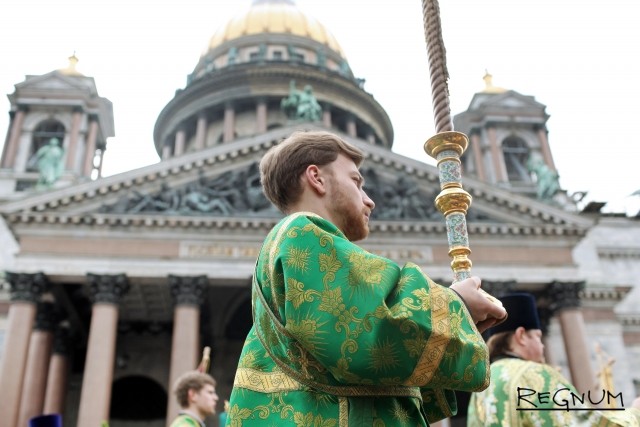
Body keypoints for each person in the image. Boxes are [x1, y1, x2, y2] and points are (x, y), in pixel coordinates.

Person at [226, 130, 507, 425]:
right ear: (316, 178)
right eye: (356, 182)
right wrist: (456, 303)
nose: (370, 200)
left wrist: (454, 321)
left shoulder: (297, 242)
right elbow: (366, 337)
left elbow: (370, 373)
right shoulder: (303, 233)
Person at [467, 293, 640, 426]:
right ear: (521, 336)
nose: (543, 348)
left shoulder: (482, 385)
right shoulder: (534, 375)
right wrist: (635, 413)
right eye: (538, 337)